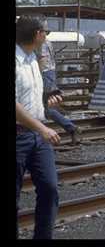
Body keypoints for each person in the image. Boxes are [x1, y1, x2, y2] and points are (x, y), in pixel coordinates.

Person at [16, 16, 62, 239]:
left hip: (37, 136)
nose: (47, 35)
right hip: (19, 136)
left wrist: (47, 101)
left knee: (50, 188)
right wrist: (43, 129)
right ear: (37, 34)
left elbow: (28, 98)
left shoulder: (33, 58)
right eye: (46, 31)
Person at [35, 23, 80, 143]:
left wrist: (36, 78)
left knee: (43, 108)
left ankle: (71, 128)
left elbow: (42, 60)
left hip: (44, 74)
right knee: (43, 107)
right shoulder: (47, 42)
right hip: (49, 73)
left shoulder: (41, 43)